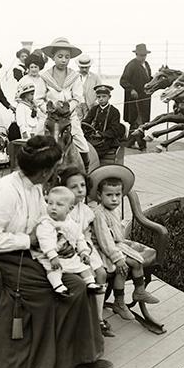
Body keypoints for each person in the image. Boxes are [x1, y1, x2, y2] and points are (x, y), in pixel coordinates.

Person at [0, 135, 112, 368]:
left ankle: (79, 356)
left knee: (80, 286)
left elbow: (44, 220)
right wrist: (28, 239)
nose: (54, 172)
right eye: (53, 168)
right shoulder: (6, 190)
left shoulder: (35, 187)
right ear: (43, 171)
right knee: (49, 294)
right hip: (1, 258)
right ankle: (41, 362)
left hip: (31, 251)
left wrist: (62, 241)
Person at [90, 165, 159, 321]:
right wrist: (118, 258)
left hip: (115, 246)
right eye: (109, 195)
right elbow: (105, 241)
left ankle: (139, 291)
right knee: (125, 266)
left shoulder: (112, 210)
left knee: (137, 261)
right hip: (103, 250)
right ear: (100, 196)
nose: (114, 199)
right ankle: (119, 302)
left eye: (117, 195)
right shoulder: (98, 214)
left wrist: (123, 247)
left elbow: (117, 234)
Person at [58, 166, 113, 337]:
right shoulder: (60, 208)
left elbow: (86, 234)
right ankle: (83, 317)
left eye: (82, 185)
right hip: (66, 248)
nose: (80, 190)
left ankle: (97, 317)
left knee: (101, 273)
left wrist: (86, 250)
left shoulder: (86, 210)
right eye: (74, 187)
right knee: (86, 274)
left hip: (84, 245)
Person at [33, 186, 102, 297]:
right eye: (50, 204)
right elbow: (45, 240)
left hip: (68, 254)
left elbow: (79, 237)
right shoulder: (46, 223)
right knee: (53, 269)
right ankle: (58, 286)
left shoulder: (71, 223)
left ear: (70, 209)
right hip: (49, 255)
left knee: (83, 266)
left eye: (59, 205)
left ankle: (90, 282)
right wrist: (52, 255)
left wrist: (83, 251)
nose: (53, 208)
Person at [35, 37, 91, 170]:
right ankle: (35, 172)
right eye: (60, 56)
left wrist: (68, 109)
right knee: (37, 140)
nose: (64, 60)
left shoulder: (74, 76)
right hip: (49, 117)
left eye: (67, 57)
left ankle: (86, 170)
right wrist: (47, 109)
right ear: (53, 57)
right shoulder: (44, 76)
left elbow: (77, 97)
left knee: (82, 142)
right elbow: (38, 98)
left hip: (68, 117)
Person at [120, 43, 152, 151]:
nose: (143, 57)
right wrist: (131, 89)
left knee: (141, 121)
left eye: (144, 55)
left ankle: (129, 142)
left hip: (145, 98)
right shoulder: (131, 65)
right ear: (136, 54)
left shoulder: (146, 65)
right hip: (134, 98)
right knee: (137, 121)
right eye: (141, 55)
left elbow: (149, 79)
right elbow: (123, 81)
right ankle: (142, 145)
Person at [82, 85, 125, 159]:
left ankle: (93, 165)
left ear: (109, 97)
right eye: (99, 97)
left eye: (104, 96)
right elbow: (86, 123)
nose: (101, 99)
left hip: (108, 139)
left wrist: (101, 134)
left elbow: (114, 130)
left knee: (95, 151)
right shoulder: (94, 109)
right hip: (94, 137)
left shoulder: (114, 112)